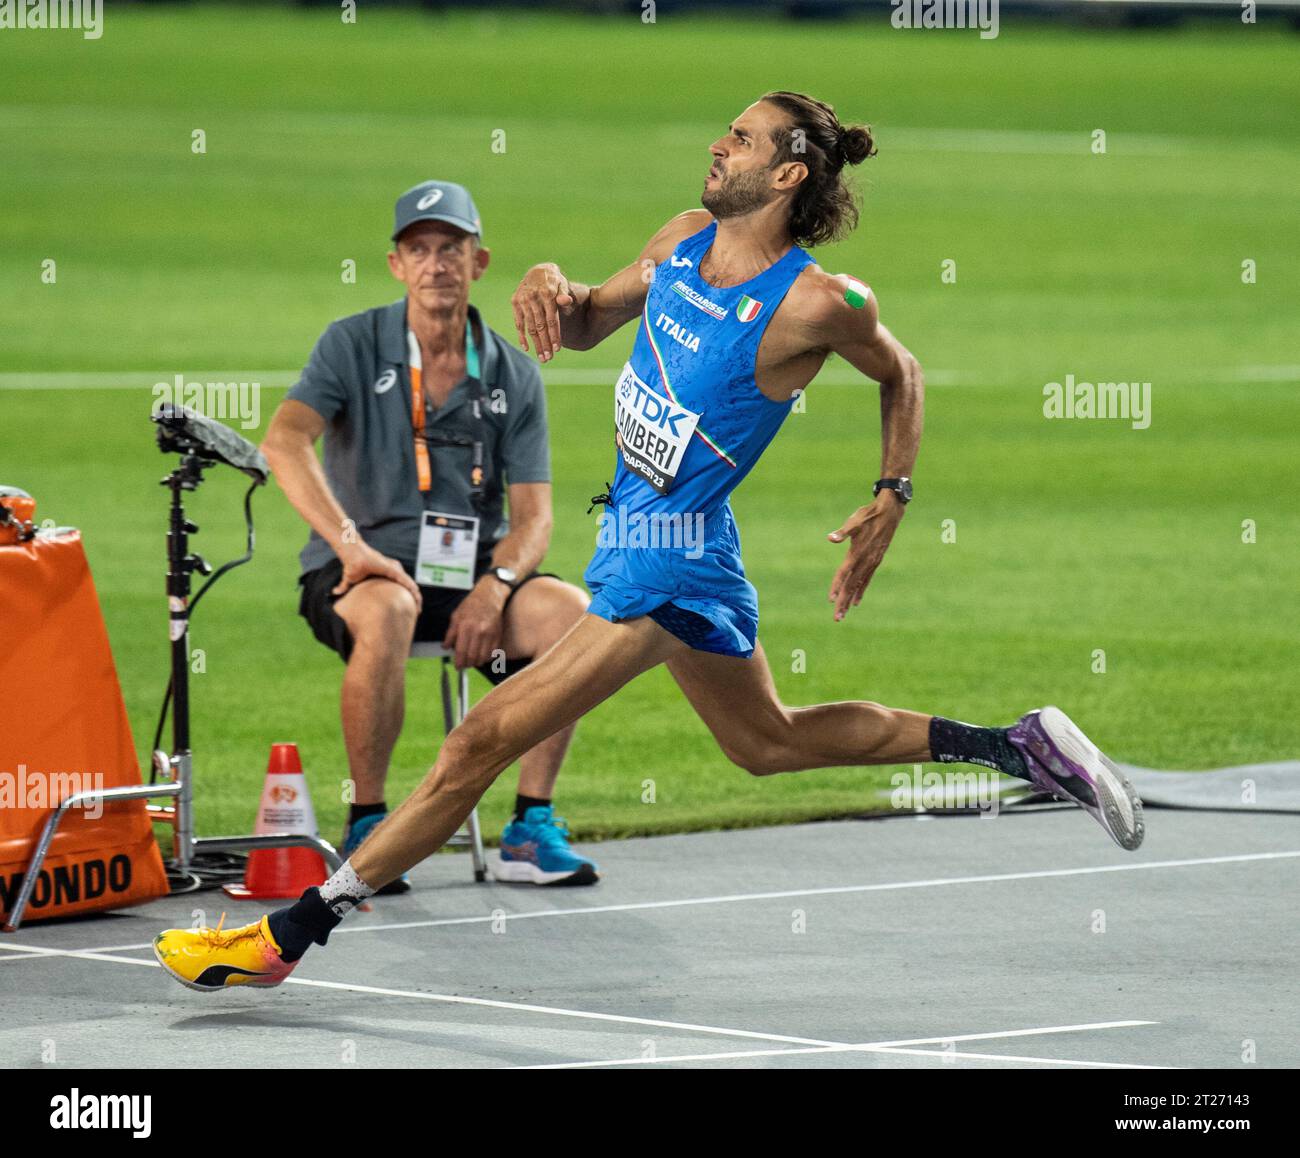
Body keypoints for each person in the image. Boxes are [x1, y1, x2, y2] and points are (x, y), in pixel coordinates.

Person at [154, 92, 1143, 991]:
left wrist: (891, 491)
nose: (720, 144)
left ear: (788, 175)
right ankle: (1015, 746)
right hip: (671, 547)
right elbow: (583, 324)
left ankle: (284, 938)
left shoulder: (818, 302)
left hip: (664, 560)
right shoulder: (678, 242)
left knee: (476, 742)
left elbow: (903, 371)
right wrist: (551, 285)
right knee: (768, 743)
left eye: (744, 139)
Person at [259, 180, 597, 892]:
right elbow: (285, 442)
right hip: (360, 566)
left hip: (472, 572)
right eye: (420, 249)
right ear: (396, 265)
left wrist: (496, 587)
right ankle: (369, 822)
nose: (436, 263)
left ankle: (531, 825)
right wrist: (350, 543)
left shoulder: (512, 370)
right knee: (391, 607)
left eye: (452, 248)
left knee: (576, 615)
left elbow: (534, 514)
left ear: (479, 262)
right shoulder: (352, 344)